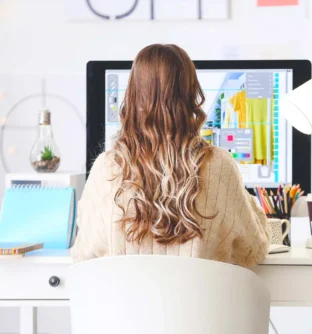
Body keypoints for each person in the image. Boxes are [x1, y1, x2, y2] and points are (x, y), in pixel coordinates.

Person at [71, 44, 271, 267]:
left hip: (126, 302)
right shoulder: (220, 165)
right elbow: (255, 249)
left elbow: (83, 253)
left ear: (133, 95)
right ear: (191, 95)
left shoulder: (106, 168)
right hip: (199, 302)